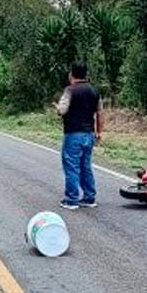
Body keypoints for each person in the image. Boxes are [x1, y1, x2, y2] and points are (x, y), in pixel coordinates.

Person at [56, 62, 103, 210]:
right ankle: (89, 198)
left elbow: (62, 110)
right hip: (89, 134)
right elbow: (100, 113)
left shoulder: (70, 90)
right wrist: (99, 132)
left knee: (71, 166)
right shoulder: (94, 91)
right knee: (86, 166)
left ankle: (71, 200)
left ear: (72, 75)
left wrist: (57, 108)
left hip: (73, 134)